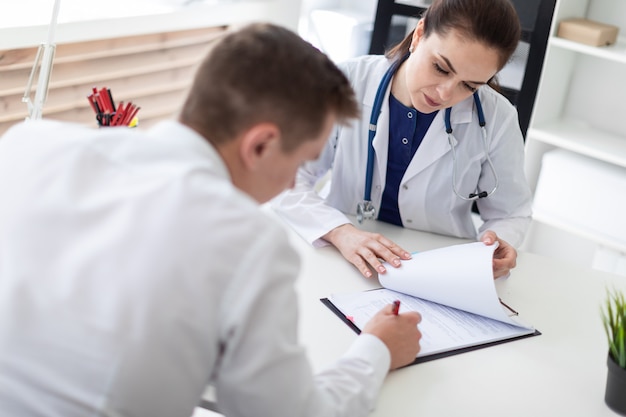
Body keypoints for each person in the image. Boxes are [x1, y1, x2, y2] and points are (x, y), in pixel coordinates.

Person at [0, 23, 422, 417]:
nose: (295, 181)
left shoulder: (26, 144)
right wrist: (376, 349)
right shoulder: (248, 242)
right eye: (302, 162)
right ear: (261, 146)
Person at [271, 0, 533, 280]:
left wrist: (499, 242)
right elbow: (285, 177)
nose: (445, 94)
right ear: (419, 34)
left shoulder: (497, 117)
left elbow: (511, 213)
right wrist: (340, 232)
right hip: (345, 258)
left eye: (469, 86)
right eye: (441, 68)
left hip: (438, 270)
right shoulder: (347, 81)